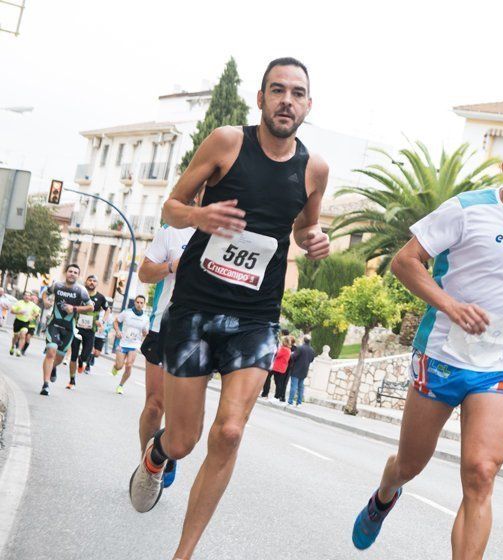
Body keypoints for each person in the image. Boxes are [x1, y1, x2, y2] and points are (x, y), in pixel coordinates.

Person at [127, 56, 330, 560]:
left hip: (256, 316)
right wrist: (200, 214)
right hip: (195, 307)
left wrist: (316, 238)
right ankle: (157, 456)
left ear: (308, 105)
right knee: (183, 441)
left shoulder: (314, 169)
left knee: (232, 432)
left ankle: (184, 553)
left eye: (297, 93)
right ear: (260, 99)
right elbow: (172, 207)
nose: (287, 100)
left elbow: (305, 227)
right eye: (277, 90)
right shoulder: (227, 142)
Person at [351, 126, 503, 559]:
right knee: (410, 464)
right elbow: (405, 262)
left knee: (482, 473)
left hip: (502, 361)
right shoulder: (468, 210)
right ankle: (385, 493)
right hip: (442, 354)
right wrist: (450, 305)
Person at [136, 219, 196, 488]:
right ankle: (148, 467)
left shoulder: (231, 234)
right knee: (154, 405)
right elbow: (144, 273)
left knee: (179, 410)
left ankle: (168, 450)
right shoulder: (172, 232)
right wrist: (173, 265)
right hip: (165, 325)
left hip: (200, 335)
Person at [40, 264, 93, 396]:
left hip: (69, 328)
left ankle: (53, 368)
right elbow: (45, 293)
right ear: (66, 272)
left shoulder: (81, 290)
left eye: (75, 272)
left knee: (59, 357)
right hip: (54, 324)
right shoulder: (57, 286)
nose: (72, 274)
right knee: (51, 350)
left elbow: (90, 307)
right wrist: (46, 301)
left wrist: (74, 309)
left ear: (78, 275)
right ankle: (46, 385)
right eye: (70, 271)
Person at [67, 275, 110, 387]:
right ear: (86, 282)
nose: (92, 282)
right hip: (76, 328)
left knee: (85, 356)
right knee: (73, 355)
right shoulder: (79, 294)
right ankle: (72, 380)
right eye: (90, 280)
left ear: (97, 284)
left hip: (90, 331)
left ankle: (81, 361)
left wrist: (102, 321)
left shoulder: (100, 297)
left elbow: (107, 310)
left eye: (94, 281)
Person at [112, 295, 150, 394]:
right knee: (119, 366)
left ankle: (120, 386)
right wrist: (118, 331)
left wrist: (145, 334)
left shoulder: (146, 318)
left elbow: (145, 332)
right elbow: (116, 322)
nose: (139, 304)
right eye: (137, 302)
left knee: (129, 365)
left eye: (141, 303)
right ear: (135, 302)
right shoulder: (126, 313)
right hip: (123, 343)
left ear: (144, 304)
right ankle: (116, 367)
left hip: (135, 344)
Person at [262, 332, 292, 401]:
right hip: (281, 368)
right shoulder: (288, 349)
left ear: (284, 342)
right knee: (278, 382)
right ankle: (276, 396)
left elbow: (277, 354)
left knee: (272, 379)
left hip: (277, 368)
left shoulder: (283, 349)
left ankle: (268, 394)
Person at [287, 335, 315, 406]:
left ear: (304, 340)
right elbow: (311, 360)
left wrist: (292, 354)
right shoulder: (312, 350)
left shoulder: (300, 348)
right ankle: (299, 402)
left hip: (296, 369)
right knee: (301, 387)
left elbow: (293, 357)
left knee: (294, 386)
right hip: (304, 370)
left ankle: (290, 401)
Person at [10, 292, 39, 356]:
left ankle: (19, 350)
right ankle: (12, 347)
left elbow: (37, 313)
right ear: (23, 296)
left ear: (30, 297)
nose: (27, 297)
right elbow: (11, 311)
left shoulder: (32, 305)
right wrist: (18, 312)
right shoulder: (19, 303)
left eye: (28, 296)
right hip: (18, 321)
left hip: (26, 322)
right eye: (25, 295)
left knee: (23, 334)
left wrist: (32, 316)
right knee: (16, 336)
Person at [89, 296, 112, 368]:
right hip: (93, 333)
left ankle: (92, 357)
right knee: (91, 350)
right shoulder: (96, 311)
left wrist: (104, 329)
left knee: (97, 354)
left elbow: (110, 326)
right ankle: (88, 365)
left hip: (101, 335)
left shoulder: (110, 315)